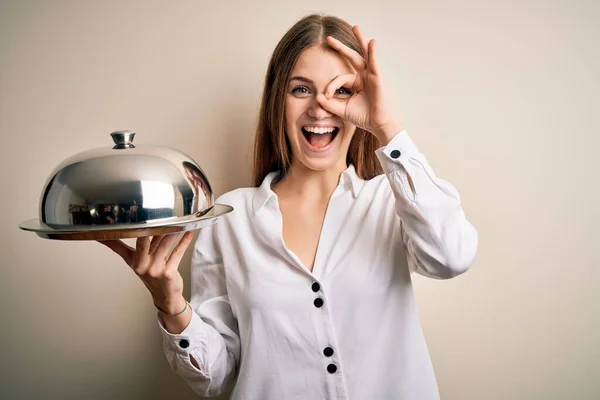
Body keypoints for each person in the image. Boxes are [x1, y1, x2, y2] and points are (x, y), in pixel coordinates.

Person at [100, 13, 478, 399]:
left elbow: (451, 257)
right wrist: (171, 304)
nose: (320, 108)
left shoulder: (390, 200)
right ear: (278, 101)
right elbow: (216, 377)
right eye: (301, 90)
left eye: (341, 91)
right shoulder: (230, 219)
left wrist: (386, 126)